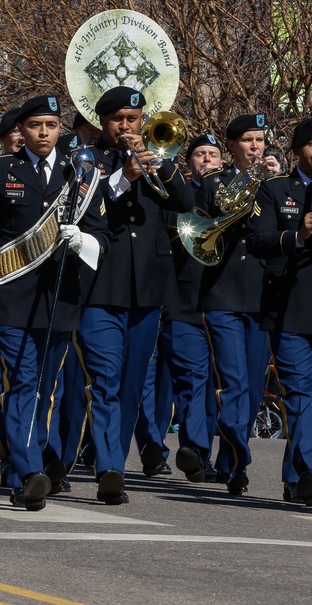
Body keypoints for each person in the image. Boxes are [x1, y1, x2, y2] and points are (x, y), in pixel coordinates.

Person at [0, 95, 110, 511]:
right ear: (20, 131)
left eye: (51, 125)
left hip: (59, 297)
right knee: (22, 382)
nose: (44, 133)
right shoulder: (0, 171)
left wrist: (84, 240)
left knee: (47, 387)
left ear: (61, 128)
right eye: (35, 125)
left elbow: (103, 234)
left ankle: (28, 465)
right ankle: (28, 471)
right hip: (9, 296)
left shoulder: (79, 173)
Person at [77, 86, 194, 504]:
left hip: (146, 288)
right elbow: (86, 205)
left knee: (129, 384)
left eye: (133, 118)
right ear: (103, 122)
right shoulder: (88, 159)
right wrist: (123, 178)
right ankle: (108, 466)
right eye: (118, 120)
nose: (126, 127)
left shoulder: (159, 156)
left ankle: (113, 460)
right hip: (99, 286)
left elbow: (185, 201)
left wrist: (158, 167)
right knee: (105, 379)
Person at [247, 117, 312, 507]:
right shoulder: (274, 190)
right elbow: (258, 240)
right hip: (287, 306)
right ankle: (308, 473)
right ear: (297, 150)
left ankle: (292, 477)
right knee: (299, 394)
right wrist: (298, 234)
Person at [194, 113, 272, 495]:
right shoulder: (214, 183)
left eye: (260, 140)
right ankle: (240, 461)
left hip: (262, 295)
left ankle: (227, 462)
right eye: (247, 140)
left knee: (253, 387)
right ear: (231, 147)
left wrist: (273, 184)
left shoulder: (276, 184)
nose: (256, 147)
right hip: (222, 292)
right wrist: (247, 184)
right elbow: (204, 222)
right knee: (234, 382)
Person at [160, 133, 223, 483]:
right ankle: (196, 449)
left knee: (218, 385)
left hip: (223, 304)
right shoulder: (177, 199)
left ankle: (210, 454)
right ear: (189, 164)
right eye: (200, 155)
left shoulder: (234, 196)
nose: (208, 161)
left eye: (213, 155)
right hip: (183, 305)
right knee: (192, 380)